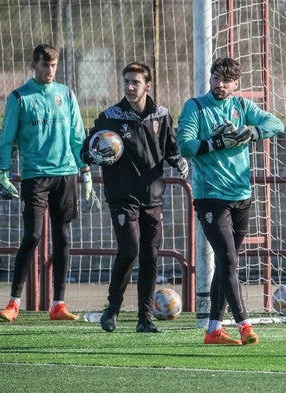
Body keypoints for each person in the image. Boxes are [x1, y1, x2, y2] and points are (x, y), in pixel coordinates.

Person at [177, 57, 284, 345]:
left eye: (226, 80)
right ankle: (245, 325)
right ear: (210, 79)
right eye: (215, 77)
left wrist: (254, 131)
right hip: (210, 197)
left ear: (236, 84)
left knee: (227, 266)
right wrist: (214, 143)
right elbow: (185, 145)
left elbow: (277, 123)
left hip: (241, 196)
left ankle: (213, 330)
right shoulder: (195, 107)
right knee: (228, 259)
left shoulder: (241, 107)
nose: (219, 84)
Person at [81, 62, 188, 333]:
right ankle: (112, 309)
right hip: (122, 197)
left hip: (153, 197)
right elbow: (87, 150)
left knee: (150, 257)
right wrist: (92, 154)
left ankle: (145, 319)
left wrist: (178, 161)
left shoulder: (161, 115)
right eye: (126, 81)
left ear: (147, 86)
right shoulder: (111, 117)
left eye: (135, 82)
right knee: (129, 250)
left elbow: (170, 148)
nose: (130, 86)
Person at [0, 44, 96, 322]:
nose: (50, 71)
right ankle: (14, 302)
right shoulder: (19, 97)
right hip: (35, 176)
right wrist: (2, 171)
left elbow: (78, 135)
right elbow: (7, 136)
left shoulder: (66, 94)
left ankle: (58, 304)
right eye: (44, 65)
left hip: (65, 174)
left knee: (63, 237)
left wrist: (85, 169)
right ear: (34, 66)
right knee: (33, 236)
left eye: (53, 66)